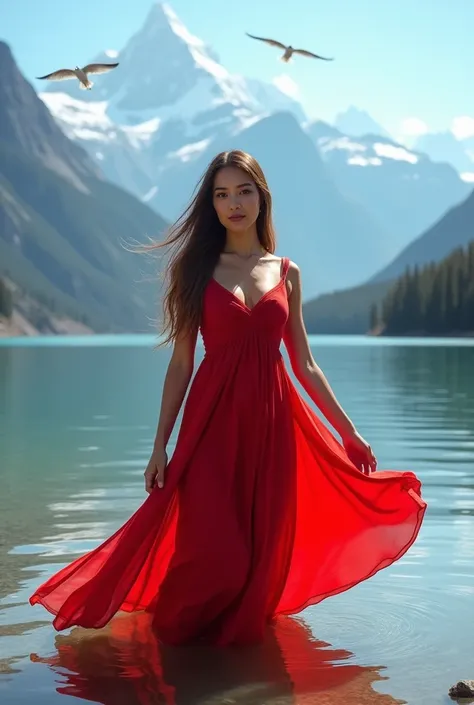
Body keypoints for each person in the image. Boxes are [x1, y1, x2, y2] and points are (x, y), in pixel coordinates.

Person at [30, 150, 426, 647]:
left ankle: (235, 664)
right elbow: (181, 363)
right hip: (210, 426)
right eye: (221, 194)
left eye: (243, 191)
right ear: (211, 205)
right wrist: (160, 446)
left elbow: (304, 362)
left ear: (261, 197)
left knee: (262, 555)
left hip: (274, 426)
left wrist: (349, 432)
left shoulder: (287, 272)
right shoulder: (193, 270)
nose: (233, 203)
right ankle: (173, 658)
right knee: (214, 549)